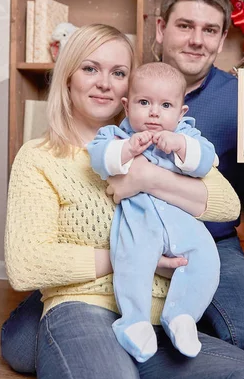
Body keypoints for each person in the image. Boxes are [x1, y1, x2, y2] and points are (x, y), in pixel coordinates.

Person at [2, 0, 244, 376]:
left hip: (210, 244)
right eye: (184, 26)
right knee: (47, 335)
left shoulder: (239, 100)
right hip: (121, 255)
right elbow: (30, 260)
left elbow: (241, 203)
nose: (197, 40)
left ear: (221, 37)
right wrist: (134, 259)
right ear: (160, 29)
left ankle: (166, 332)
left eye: (209, 30)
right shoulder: (113, 124)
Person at [87, 62, 220, 361]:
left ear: (181, 112)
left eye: (166, 105)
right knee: (132, 264)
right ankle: (134, 323)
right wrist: (128, 150)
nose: (154, 112)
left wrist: (180, 145)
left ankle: (182, 316)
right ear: (126, 105)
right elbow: (98, 158)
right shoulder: (116, 135)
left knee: (206, 259)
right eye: (144, 102)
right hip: (139, 222)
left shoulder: (186, 135)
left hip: (183, 223)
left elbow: (206, 159)